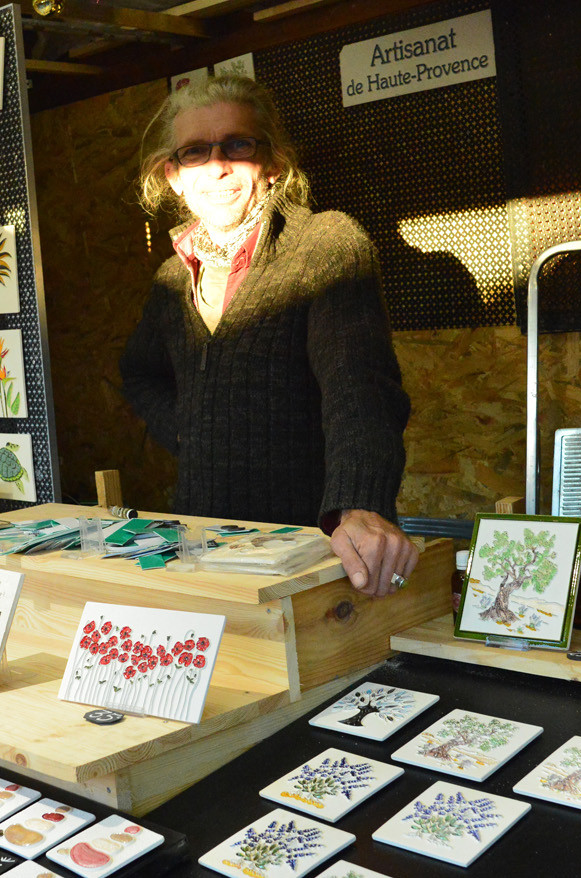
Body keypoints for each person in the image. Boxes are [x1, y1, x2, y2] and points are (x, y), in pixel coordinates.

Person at [120, 75, 418, 598]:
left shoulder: (324, 244)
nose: (217, 165)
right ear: (174, 176)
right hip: (201, 554)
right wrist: (189, 430)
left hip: (307, 558)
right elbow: (139, 374)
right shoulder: (171, 279)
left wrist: (360, 505)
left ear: (274, 163)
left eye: (238, 145)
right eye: (195, 152)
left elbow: (360, 387)